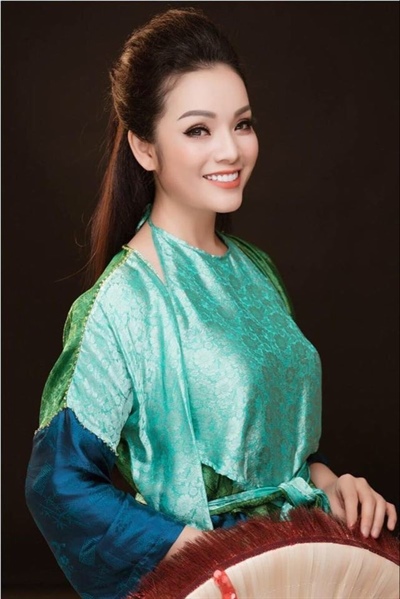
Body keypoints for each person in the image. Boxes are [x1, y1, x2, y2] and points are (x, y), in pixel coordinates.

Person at [25, 7, 397, 599]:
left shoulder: (256, 270)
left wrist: (330, 482)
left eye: (242, 124)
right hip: (223, 583)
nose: (230, 150)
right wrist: (202, 558)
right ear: (145, 147)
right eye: (198, 130)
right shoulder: (123, 302)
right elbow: (57, 484)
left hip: (303, 569)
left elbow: (274, 448)